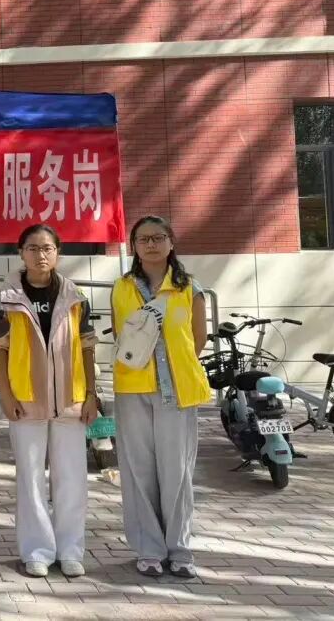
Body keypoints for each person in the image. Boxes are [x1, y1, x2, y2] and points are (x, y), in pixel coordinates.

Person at [0, 224, 98, 578]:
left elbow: (87, 347)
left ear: (58, 252)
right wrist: (6, 394)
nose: (40, 255)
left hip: (70, 399)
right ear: (21, 252)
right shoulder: (5, 297)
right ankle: (36, 550)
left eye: (47, 248)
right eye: (32, 248)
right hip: (25, 399)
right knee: (30, 478)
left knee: (72, 479)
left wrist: (91, 394)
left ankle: (71, 551)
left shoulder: (75, 295)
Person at [111, 215, 211, 579]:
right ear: (134, 246)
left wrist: (174, 370)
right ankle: (149, 549)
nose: (151, 244)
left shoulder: (189, 288)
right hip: (133, 388)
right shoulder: (122, 288)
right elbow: (121, 335)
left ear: (171, 242)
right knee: (139, 471)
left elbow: (197, 339)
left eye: (158, 237)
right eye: (143, 239)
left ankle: (179, 549)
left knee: (177, 472)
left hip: (178, 391)